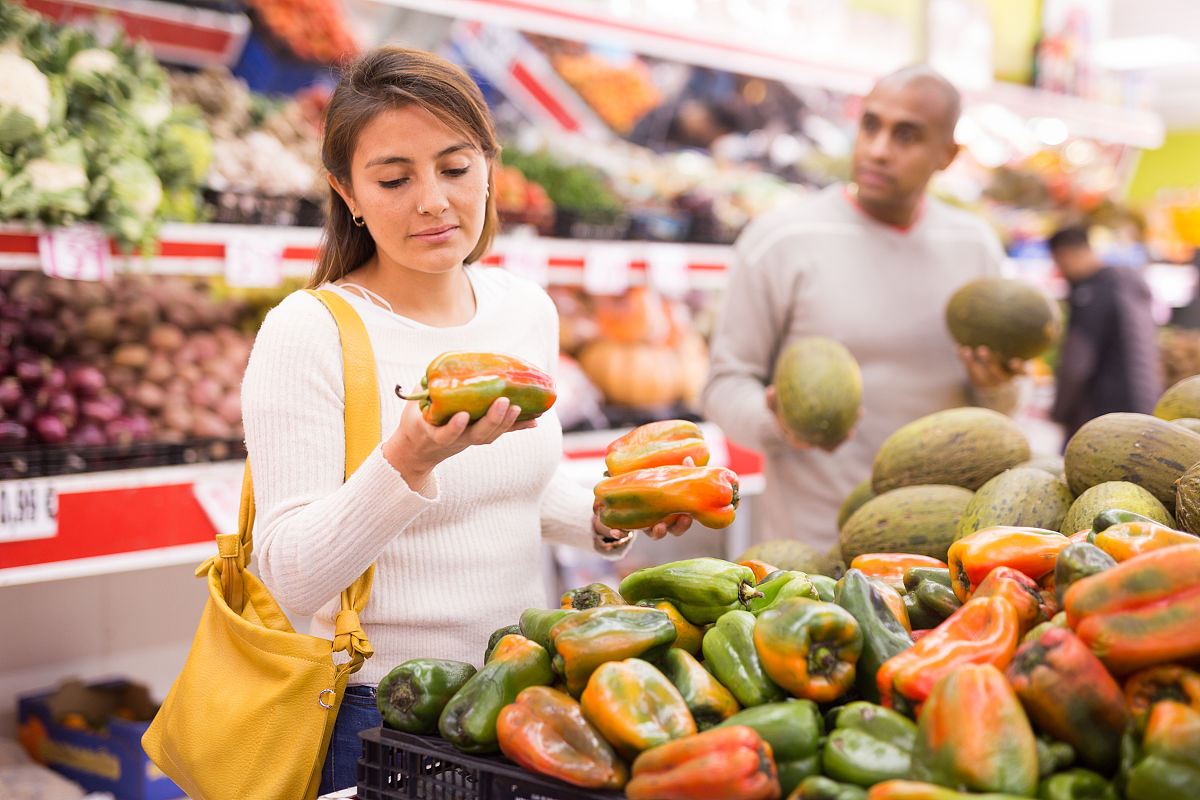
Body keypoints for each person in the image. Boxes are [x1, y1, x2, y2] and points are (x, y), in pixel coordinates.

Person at [239, 46, 689, 794]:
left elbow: (511, 483)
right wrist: (407, 461)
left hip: (518, 689)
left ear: (489, 164)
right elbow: (286, 574)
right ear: (345, 192)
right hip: (380, 710)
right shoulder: (309, 332)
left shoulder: (522, 308)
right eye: (394, 178)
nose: (433, 201)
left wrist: (613, 515)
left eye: (455, 168)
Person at [700, 64, 1022, 555]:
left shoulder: (975, 245)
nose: (878, 149)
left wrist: (996, 385)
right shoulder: (780, 241)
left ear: (947, 154)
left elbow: (1002, 402)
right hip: (813, 551)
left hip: (944, 549)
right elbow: (723, 386)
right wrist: (780, 425)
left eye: (907, 135)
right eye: (871, 125)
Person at [1048, 224, 1163, 443]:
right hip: (1142, 404)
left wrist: (1060, 412)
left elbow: (1077, 363)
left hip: (1104, 416)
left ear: (1064, 254)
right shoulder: (1126, 282)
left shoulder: (1091, 294)